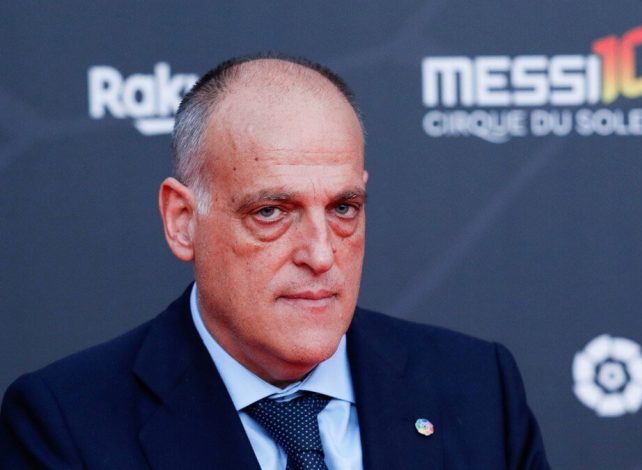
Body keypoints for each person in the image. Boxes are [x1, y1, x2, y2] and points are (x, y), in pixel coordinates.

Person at [0, 54, 550, 469]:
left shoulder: (479, 388)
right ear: (182, 220)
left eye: (343, 208)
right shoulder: (66, 426)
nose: (321, 254)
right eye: (271, 212)